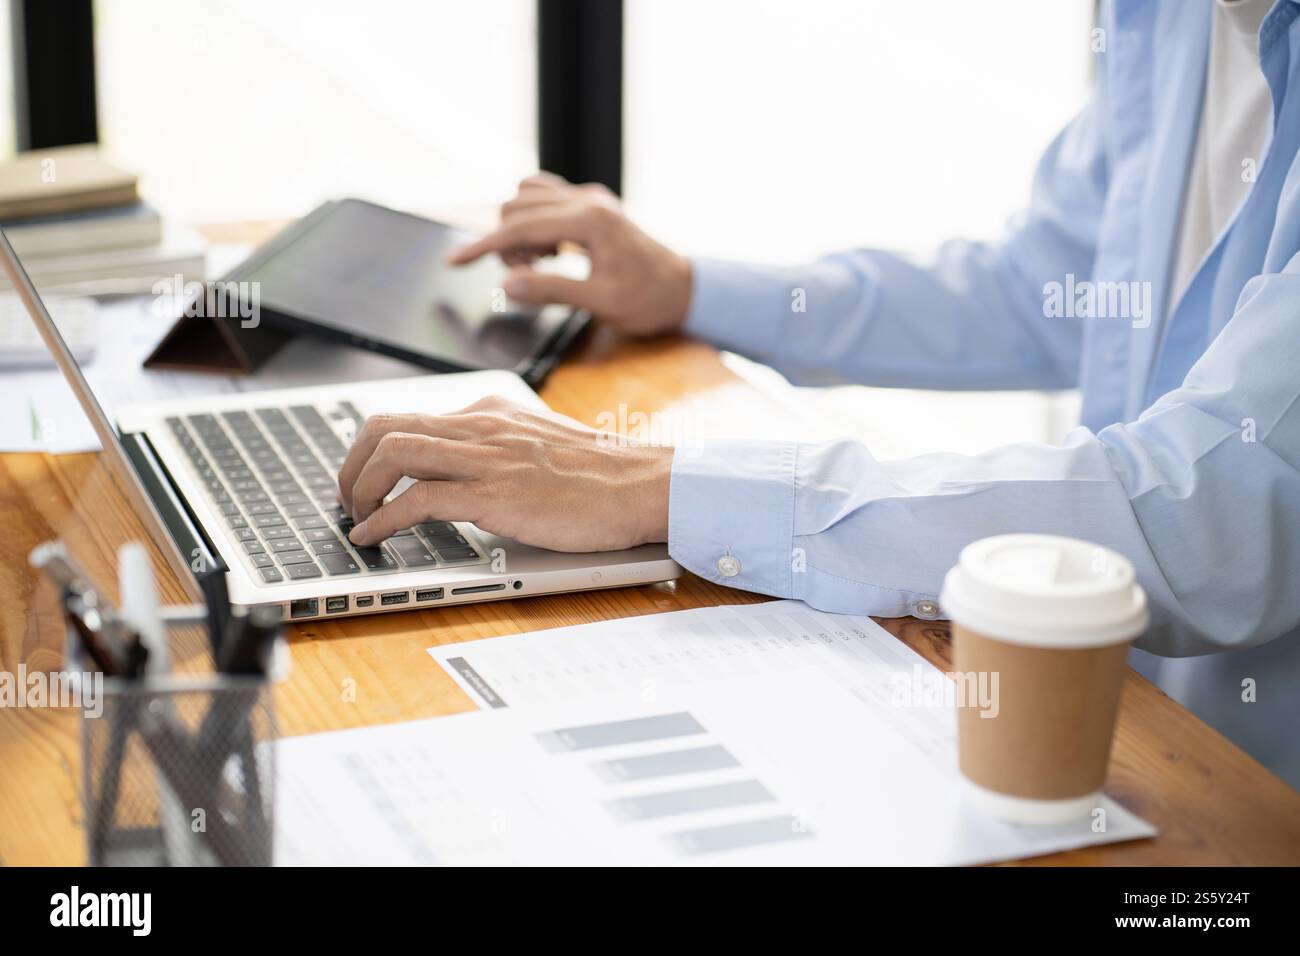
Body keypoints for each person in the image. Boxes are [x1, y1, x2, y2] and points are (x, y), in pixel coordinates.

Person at [338, 0, 1300, 788]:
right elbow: (1044, 289)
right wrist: (690, 288)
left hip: (1246, 792)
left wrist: (661, 487)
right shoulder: (1170, 19)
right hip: (1108, 722)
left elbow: (1212, 509)